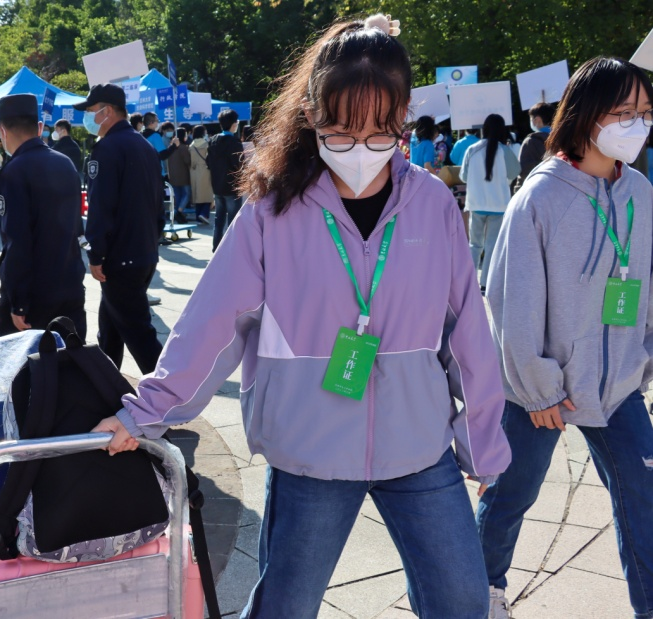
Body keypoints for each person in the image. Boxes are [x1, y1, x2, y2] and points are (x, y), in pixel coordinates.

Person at [93, 14, 510, 619]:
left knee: (462, 601)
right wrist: (148, 411)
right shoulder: (273, 209)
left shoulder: (433, 203)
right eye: (341, 130)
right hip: (310, 452)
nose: (360, 148)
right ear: (311, 115)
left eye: (380, 131)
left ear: (404, 117)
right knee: (284, 607)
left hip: (419, 446)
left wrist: (483, 442)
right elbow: (213, 322)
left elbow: (467, 329)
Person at [477, 57, 653, 619]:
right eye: (623, 112)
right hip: (541, 391)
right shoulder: (540, 198)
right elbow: (512, 301)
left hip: (619, 384)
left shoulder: (641, 191)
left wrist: (645, 357)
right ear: (587, 113)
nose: (637, 125)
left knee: (643, 502)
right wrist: (538, 387)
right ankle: (479, 594)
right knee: (510, 496)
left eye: (645, 113)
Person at [75, 84, 165, 374]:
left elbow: (101, 207)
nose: (88, 117)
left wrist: (96, 254)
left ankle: (169, 394)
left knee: (140, 335)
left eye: (91, 111)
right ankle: (106, 387)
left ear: (108, 111)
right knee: (110, 329)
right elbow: (159, 203)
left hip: (120, 257)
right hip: (143, 252)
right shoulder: (145, 145)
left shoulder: (107, 149)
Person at [0, 94, 86, 337]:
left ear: (2, 131)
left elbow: (17, 240)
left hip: (35, 292)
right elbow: (76, 227)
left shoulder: (14, 172)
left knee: (16, 356)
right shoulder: (65, 163)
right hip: (70, 283)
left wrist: (18, 301)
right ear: (40, 127)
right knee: (71, 354)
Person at [460, 114, 519, 292]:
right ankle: (486, 283)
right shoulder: (505, 150)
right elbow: (514, 172)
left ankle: (469, 282)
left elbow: (463, 177)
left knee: (474, 245)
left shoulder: (472, 149)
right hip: (499, 204)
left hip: (476, 203)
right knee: (492, 245)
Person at [208, 109, 244, 251]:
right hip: (232, 186)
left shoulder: (213, 140)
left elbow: (208, 162)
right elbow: (239, 164)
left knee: (219, 220)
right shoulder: (234, 142)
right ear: (234, 124)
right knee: (233, 221)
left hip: (217, 186)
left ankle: (216, 249)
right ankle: (230, 251)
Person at [512, 101, 556, 193]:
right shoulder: (563, 140)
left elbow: (525, 171)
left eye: (531, 119)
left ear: (537, 120)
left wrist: (518, 191)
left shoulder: (531, 142)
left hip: (537, 192)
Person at [167, 127, 193, 222]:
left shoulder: (170, 147)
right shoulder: (183, 147)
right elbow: (188, 161)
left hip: (173, 176)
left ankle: (177, 213)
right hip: (183, 175)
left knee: (177, 196)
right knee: (187, 194)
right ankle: (179, 211)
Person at [189, 125, 213, 225]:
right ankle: (204, 214)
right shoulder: (207, 144)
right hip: (206, 170)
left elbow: (192, 161)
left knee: (197, 195)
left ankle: (198, 218)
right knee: (207, 194)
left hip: (195, 171)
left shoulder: (191, 145)